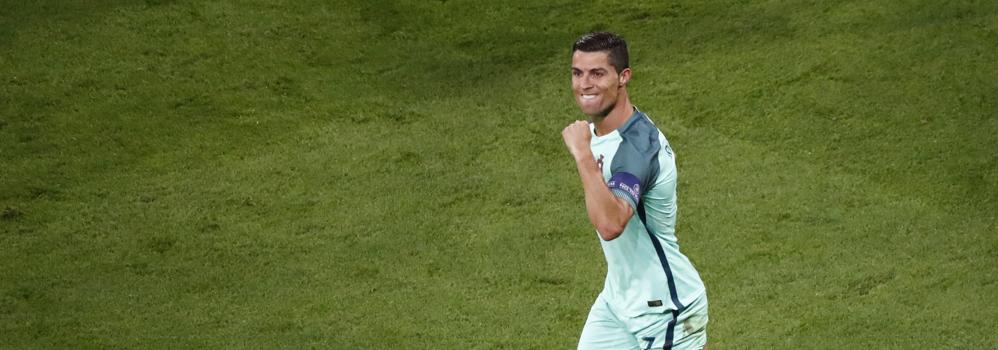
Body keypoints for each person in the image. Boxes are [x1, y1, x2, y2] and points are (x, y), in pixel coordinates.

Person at [562, 32, 709, 350]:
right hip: (619, 301)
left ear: (623, 77)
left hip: (665, 308)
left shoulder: (637, 146)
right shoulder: (600, 133)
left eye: (597, 73)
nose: (585, 84)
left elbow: (611, 224)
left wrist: (583, 157)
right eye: (578, 73)